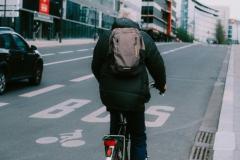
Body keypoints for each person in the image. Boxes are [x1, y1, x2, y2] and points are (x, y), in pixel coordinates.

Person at [91, 8, 166, 160]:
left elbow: (95, 66)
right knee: (138, 136)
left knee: (114, 130)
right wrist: (161, 84)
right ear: (134, 22)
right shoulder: (144, 37)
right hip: (136, 98)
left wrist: (103, 82)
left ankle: (111, 155)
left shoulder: (106, 37)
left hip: (111, 95)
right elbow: (157, 65)